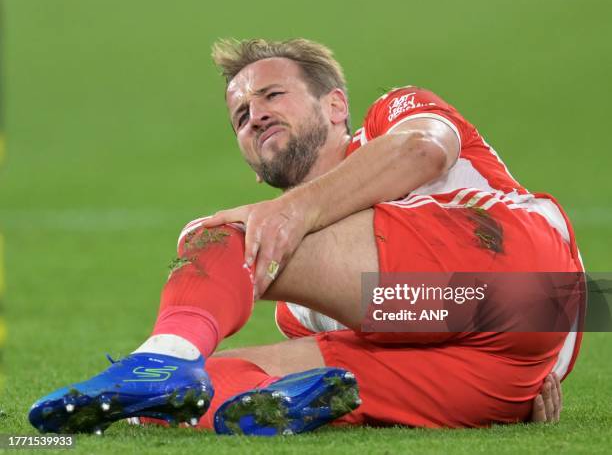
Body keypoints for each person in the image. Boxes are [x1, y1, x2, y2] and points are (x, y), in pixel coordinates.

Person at [29, 38, 574, 436]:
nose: (255, 115)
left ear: (336, 106)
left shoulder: (392, 118)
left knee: (218, 237)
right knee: (207, 386)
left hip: (528, 280)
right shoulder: (304, 303)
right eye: (241, 116)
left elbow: (425, 148)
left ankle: (161, 356)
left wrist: (292, 210)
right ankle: (218, 402)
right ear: (249, 160)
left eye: (272, 95)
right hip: (495, 369)